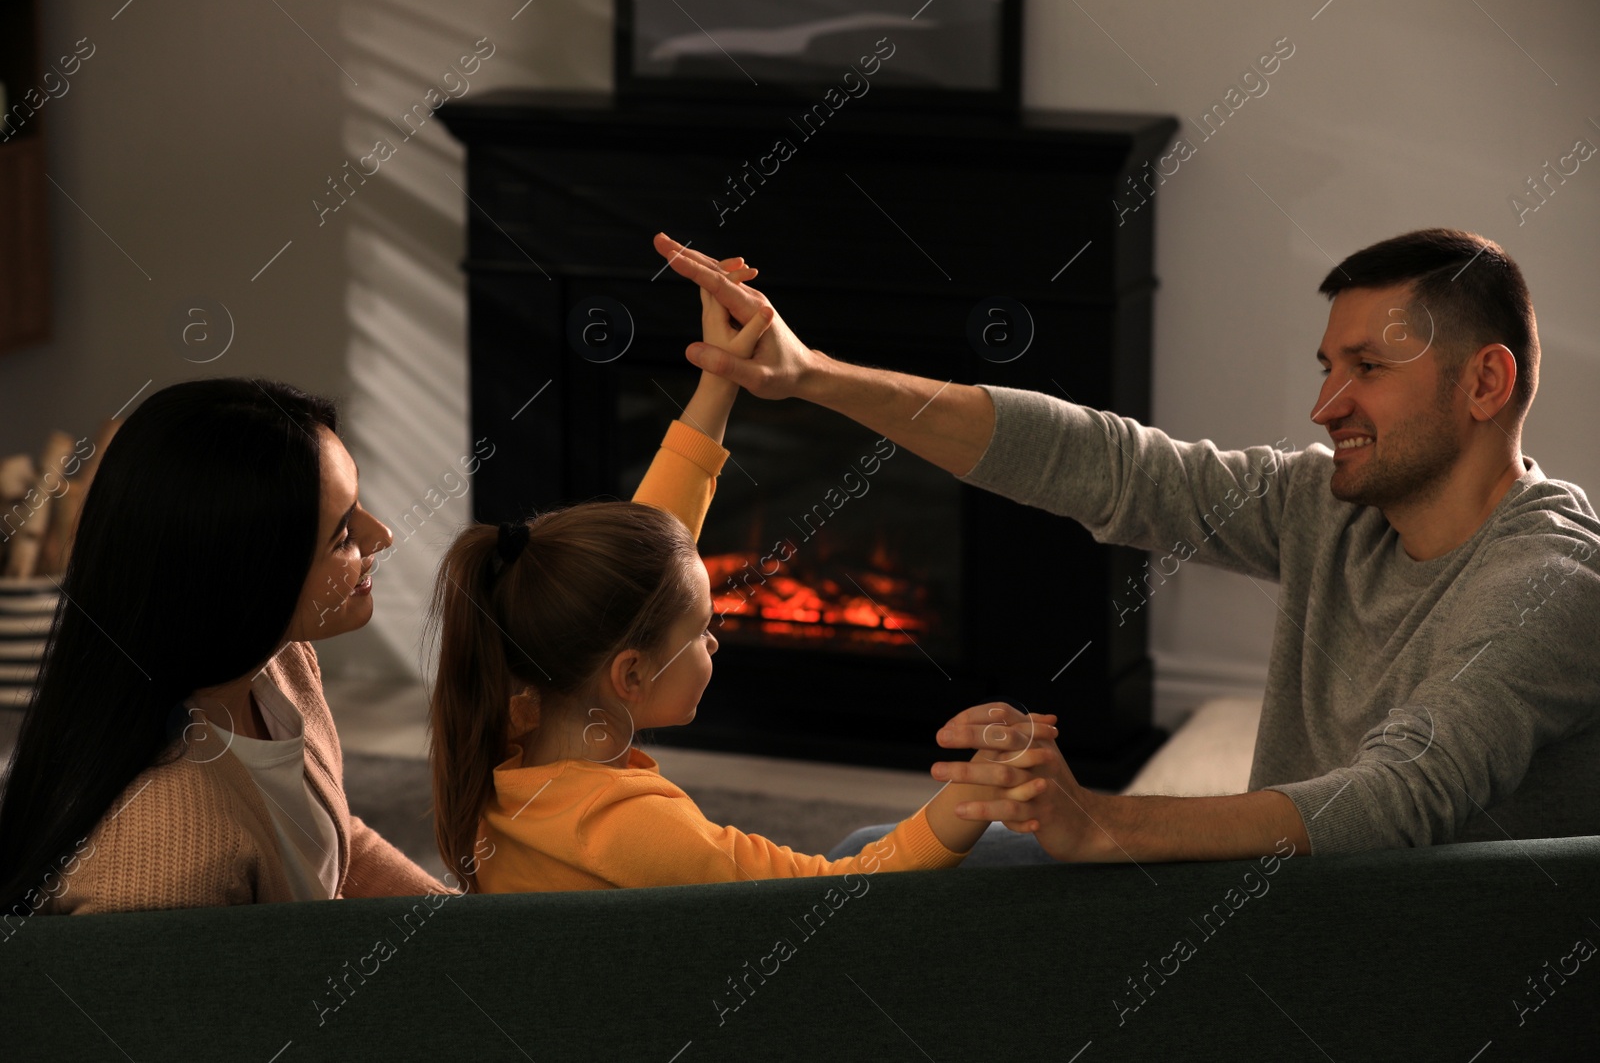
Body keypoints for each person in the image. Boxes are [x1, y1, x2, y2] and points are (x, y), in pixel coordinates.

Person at [652, 227, 1600, 862]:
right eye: (1327, 368)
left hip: (1394, 960)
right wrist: (813, 375)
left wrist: (1100, 823)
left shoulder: (1550, 583)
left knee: (911, 904)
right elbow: (1113, 466)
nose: (1325, 407)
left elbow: (1403, 798)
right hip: (1276, 899)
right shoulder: (1337, 506)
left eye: (1368, 369)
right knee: (881, 856)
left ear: (1485, 383)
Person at [426, 276, 1042, 891]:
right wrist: (969, 795)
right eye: (699, 632)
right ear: (631, 675)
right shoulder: (634, 831)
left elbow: (645, 564)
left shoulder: (510, 749)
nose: (714, 642)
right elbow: (845, 892)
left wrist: (719, 383)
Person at [0, 379, 446, 919]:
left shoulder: (277, 662)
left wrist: (459, 926)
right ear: (247, 581)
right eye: (343, 535)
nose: (382, 536)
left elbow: (328, 842)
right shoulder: (163, 847)